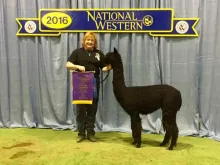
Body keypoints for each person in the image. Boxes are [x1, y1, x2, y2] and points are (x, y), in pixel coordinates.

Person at [66, 32, 111, 143]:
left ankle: (90, 133)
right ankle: (81, 134)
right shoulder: (77, 52)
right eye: (88, 40)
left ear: (94, 42)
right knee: (81, 110)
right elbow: (68, 64)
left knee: (92, 109)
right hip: (80, 83)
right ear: (84, 41)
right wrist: (77, 66)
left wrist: (111, 65)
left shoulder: (98, 53)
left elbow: (104, 68)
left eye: (92, 40)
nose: (90, 42)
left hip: (94, 83)